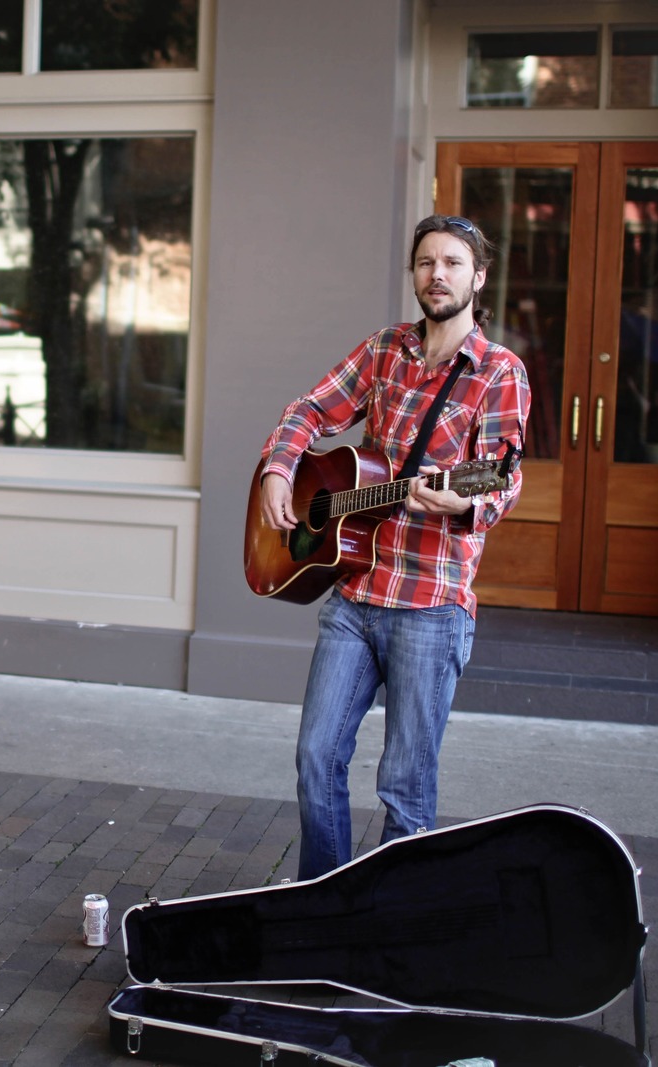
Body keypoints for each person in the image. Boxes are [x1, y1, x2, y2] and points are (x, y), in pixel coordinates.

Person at [258, 214, 531, 881]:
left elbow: (502, 473)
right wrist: (279, 467)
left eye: (453, 263)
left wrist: (465, 498)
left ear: (479, 276)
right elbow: (310, 410)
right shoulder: (384, 349)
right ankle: (323, 902)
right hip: (355, 594)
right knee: (317, 756)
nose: (438, 274)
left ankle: (390, 925)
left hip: (430, 606)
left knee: (405, 788)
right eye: (426, 262)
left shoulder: (500, 372)